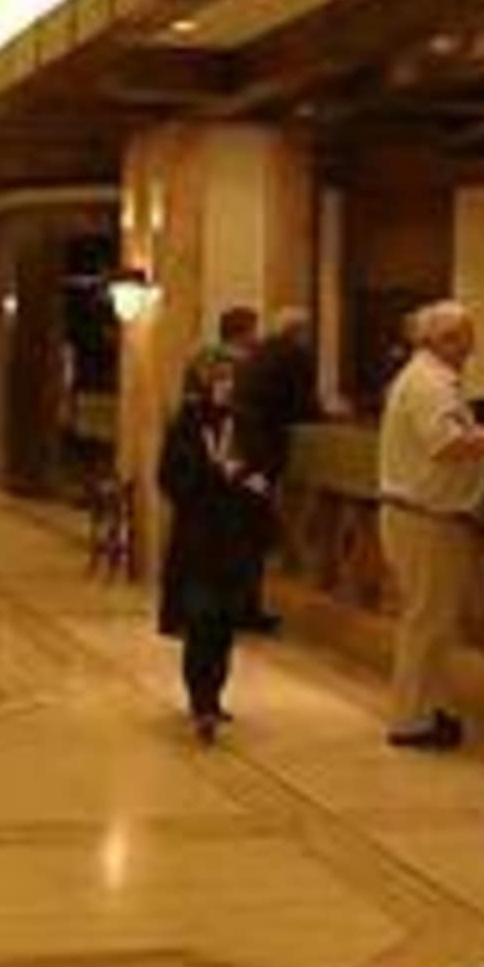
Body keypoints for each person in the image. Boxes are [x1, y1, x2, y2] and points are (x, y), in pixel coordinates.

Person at [377, 300, 484, 750]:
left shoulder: (426, 379)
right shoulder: (430, 384)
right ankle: (411, 720)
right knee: (426, 624)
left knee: (432, 623)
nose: (472, 348)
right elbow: (445, 446)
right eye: (467, 338)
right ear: (444, 340)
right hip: (426, 518)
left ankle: (431, 708)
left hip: (419, 515)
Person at [158, 353, 274, 746]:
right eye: (218, 378)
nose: (225, 385)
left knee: (224, 623)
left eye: (229, 378)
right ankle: (200, 699)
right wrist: (211, 474)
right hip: (197, 537)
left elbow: (261, 468)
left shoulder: (245, 423)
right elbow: (169, 477)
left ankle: (215, 694)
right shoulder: (186, 425)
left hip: (234, 537)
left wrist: (245, 478)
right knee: (200, 619)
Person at [230, 306, 325, 634]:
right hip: (263, 456)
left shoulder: (258, 353)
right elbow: (304, 405)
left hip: (243, 453)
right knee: (254, 531)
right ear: (299, 332)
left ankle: (241, 605)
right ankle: (247, 608)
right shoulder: (294, 356)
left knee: (245, 530)